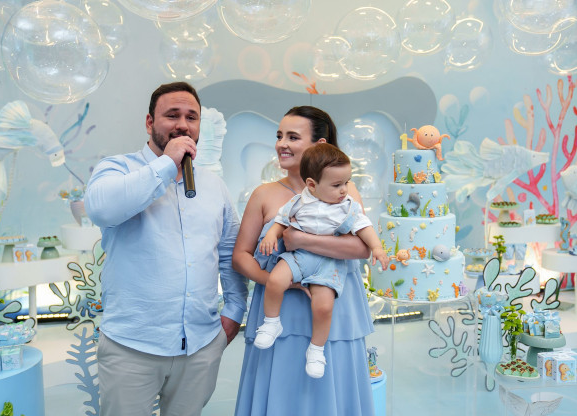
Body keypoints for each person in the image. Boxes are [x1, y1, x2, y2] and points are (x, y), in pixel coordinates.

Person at [84, 81, 248, 416]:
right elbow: (101, 209)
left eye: (192, 117)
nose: (183, 125)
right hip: (132, 347)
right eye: (172, 115)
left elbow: (229, 253)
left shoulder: (213, 185)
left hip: (201, 346)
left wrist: (234, 312)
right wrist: (166, 164)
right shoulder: (118, 169)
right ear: (149, 122)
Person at [233, 106, 377, 415]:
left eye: (293, 137)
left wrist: (301, 240)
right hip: (279, 312)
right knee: (282, 392)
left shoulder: (345, 191)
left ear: (319, 144)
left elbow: (360, 248)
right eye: (279, 136)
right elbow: (241, 257)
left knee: (329, 392)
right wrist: (280, 282)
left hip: (333, 311)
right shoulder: (264, 194)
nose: (281, 144)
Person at [255, 143, 389, 378]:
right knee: (275, 280)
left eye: (346, 182)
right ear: (312, 185)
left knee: (324, 306)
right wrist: (271, 236)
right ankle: (271, 322)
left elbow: (364, 227)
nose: (344, 190)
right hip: (300, 256)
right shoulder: (299, 202)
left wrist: (377, 247)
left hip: (329, 262)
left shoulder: (347, 206)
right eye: (337, 185)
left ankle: (316, 350)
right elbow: (281, 220)